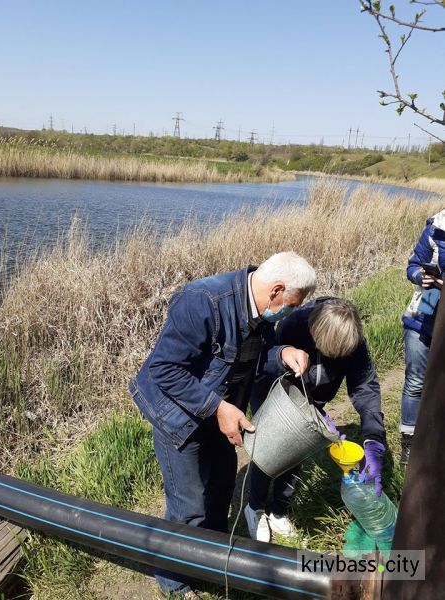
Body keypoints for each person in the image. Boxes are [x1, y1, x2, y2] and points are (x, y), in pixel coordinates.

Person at [128, 252, 316, 598]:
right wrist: (217, 407)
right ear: (276, 290)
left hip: (222, 414)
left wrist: (283, 352)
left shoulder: (261, 312)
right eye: (292, 304)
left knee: (220, 491)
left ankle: (207, 560)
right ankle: (173, 581)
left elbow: (259, 358)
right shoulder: (201, 302)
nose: (290, 312)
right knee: (189, 508)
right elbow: (163, 369)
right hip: (179, 418)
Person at [244, 297, 387, 543]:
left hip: (313, 401)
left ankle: (279, 509)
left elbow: (365, 387)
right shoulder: (294, 324)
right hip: (276, 394)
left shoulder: (352, 339)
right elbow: (266, 367)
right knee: (269, 448)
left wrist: (373, 438)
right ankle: (255, 506)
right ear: (315, 334)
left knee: (298, 452)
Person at [399, 210, 444, 468]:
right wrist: (420, 276)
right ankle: (409, 445)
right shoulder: (434, 230)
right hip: (422, 315)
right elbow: (413, 265)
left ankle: (434, 444)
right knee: (415, 382)